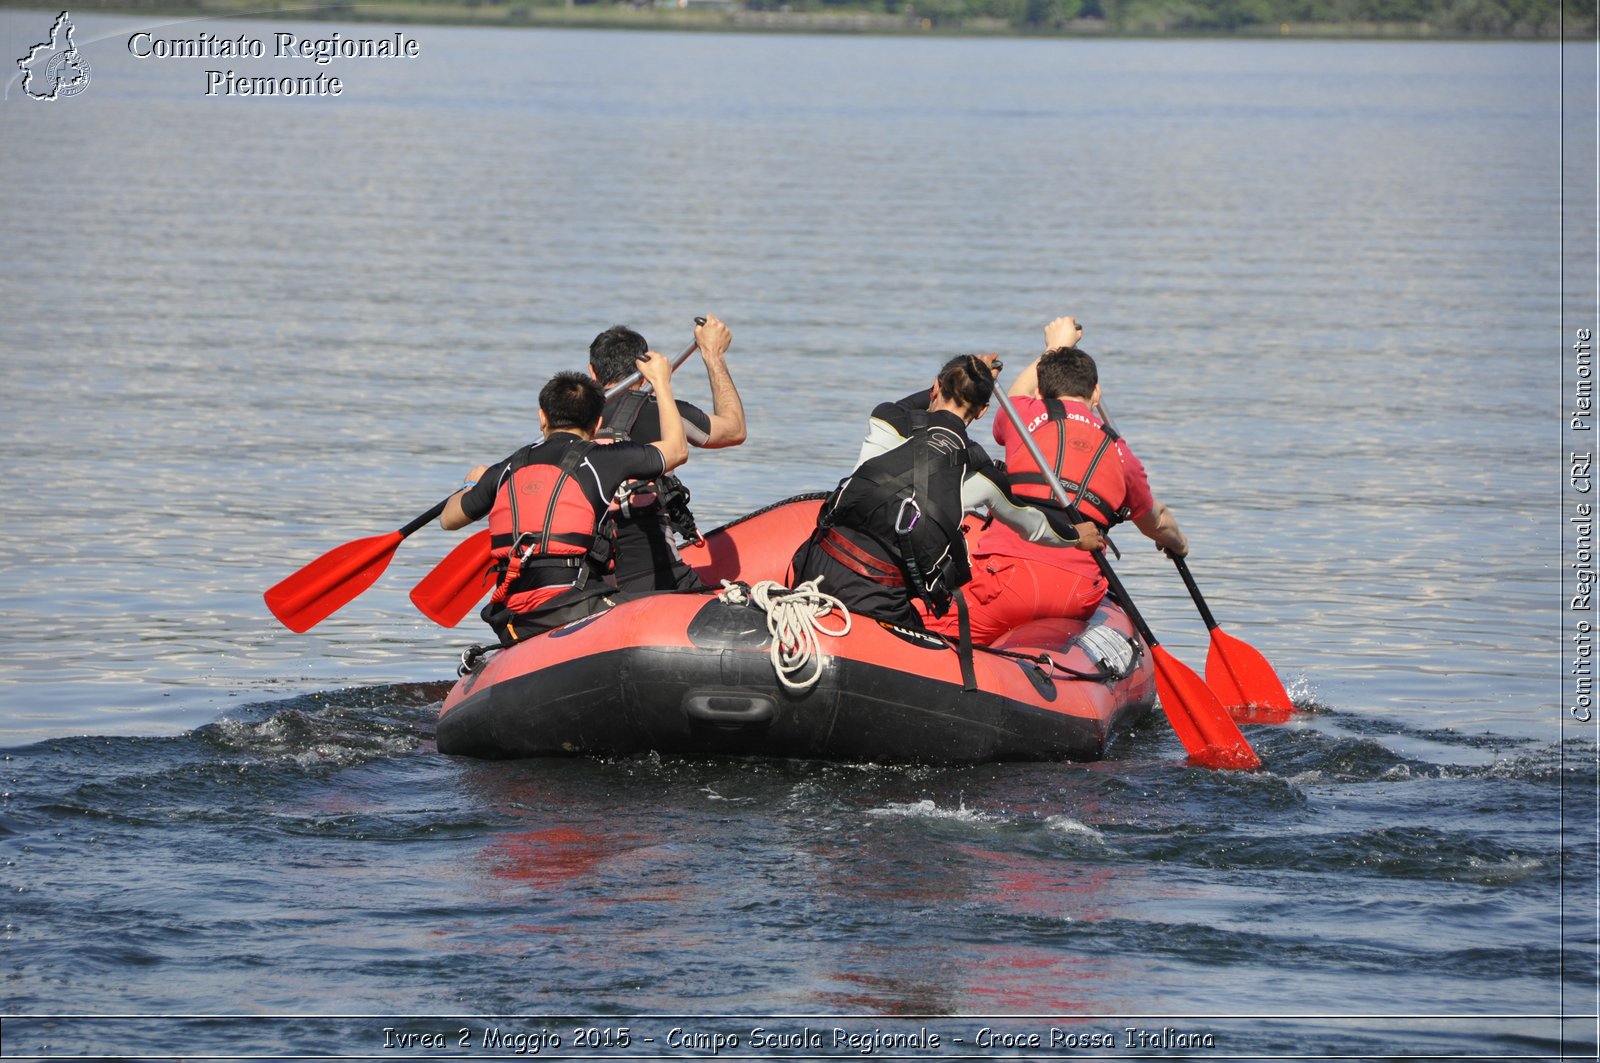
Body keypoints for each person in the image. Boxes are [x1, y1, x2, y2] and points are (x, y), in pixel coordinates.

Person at [923, 315, 1188, 645]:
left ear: (1040, 391)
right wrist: (1179, 543)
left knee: (919, 621)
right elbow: (1156, 521)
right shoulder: (1121, 452)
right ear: (1096, 392)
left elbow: (1016, 392)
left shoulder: (1023, 415)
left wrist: (1057, 346)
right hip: (1077, 594)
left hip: (1008, 581)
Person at [790, 355, 1095, 632]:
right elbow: (1034, 527)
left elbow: (907, 406)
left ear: (935, 388)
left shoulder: (886, 420)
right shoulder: (982, 474)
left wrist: (966, 373)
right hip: (878, 599)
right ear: (983, 412)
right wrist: (1075, 536)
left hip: (813, 568)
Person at [440, 356, 688, 646]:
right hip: (572, 606)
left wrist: (474, 482)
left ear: (542, 417)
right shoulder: (603, 459)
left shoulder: (506, 468)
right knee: (671, 605)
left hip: (511, 618)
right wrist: (661, 382)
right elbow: (676, 449)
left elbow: (448, 519)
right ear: (596, 425)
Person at [588, 315, 744, 593]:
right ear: (644, 367)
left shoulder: (572, 421)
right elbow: (734, 430)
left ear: (592, 372)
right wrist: (713, 354)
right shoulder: (666, 414)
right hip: (655, 574)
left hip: (591, 578)